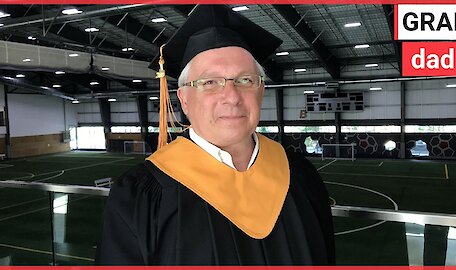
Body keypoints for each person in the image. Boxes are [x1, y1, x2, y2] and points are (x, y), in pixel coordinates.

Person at [96, 5, 335, 265]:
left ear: (261, 91)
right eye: (209, 83)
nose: (232, 97)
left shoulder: (301, 176)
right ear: (184, 99)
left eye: (245, 80)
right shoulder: (140, 195)